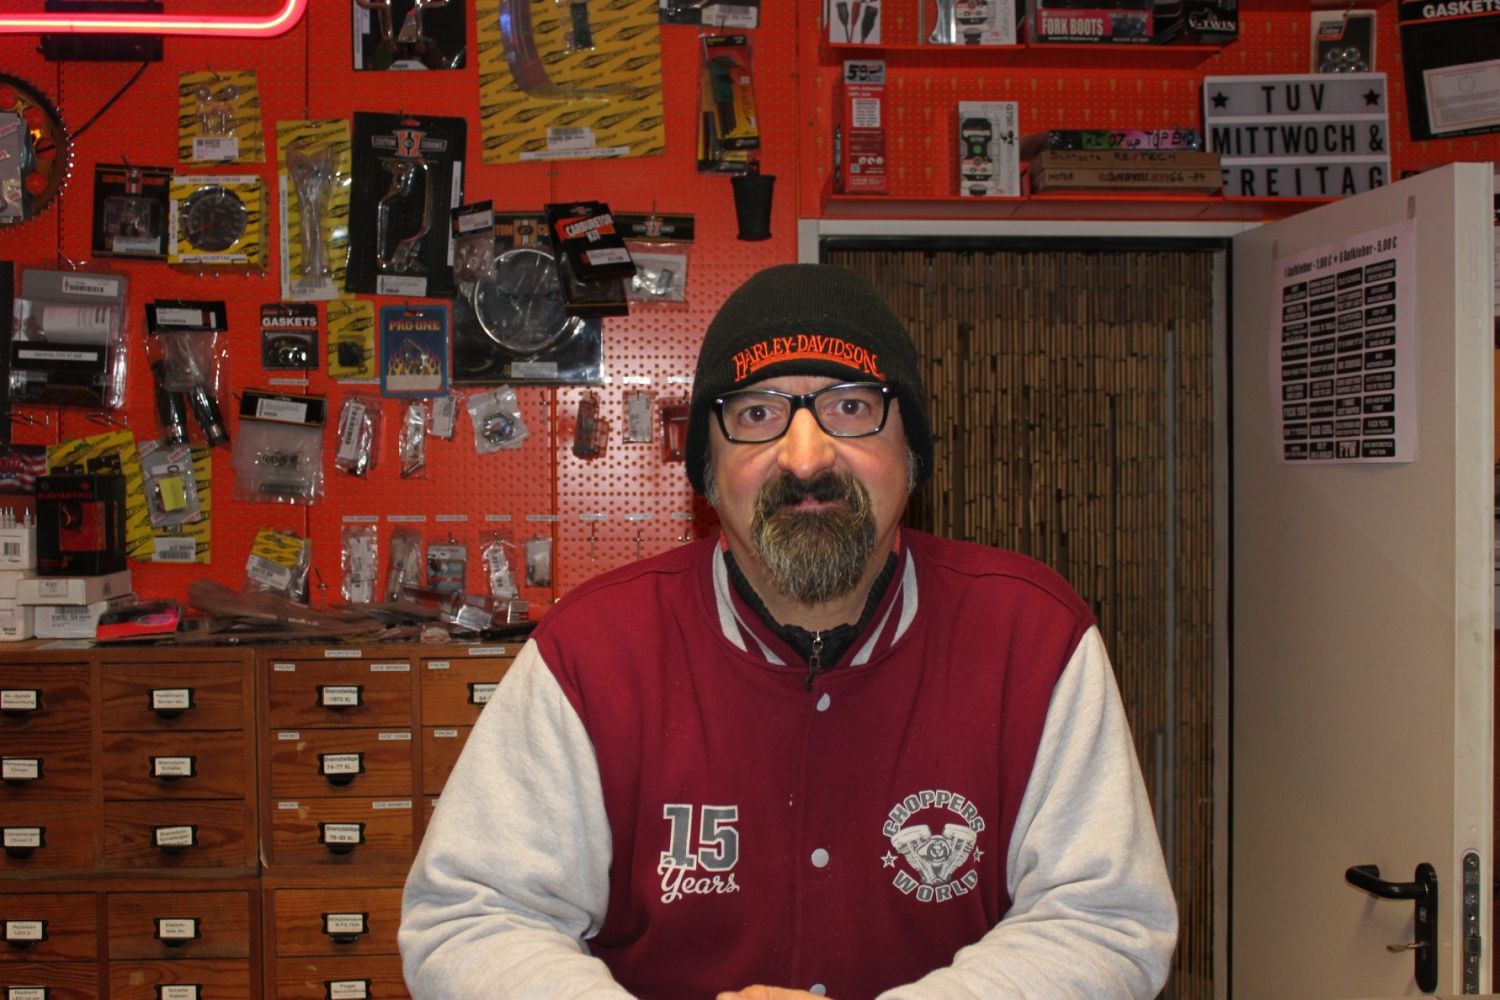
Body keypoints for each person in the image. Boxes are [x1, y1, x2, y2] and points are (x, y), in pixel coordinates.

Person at [400, 263, 1178, 999]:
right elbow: (472, 921)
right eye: (757, 414)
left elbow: (1103, 921)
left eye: (851, 407)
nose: (805, 458)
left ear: (913, 452)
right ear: (707, 470)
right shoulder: (592, 654)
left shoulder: (1031, 640)